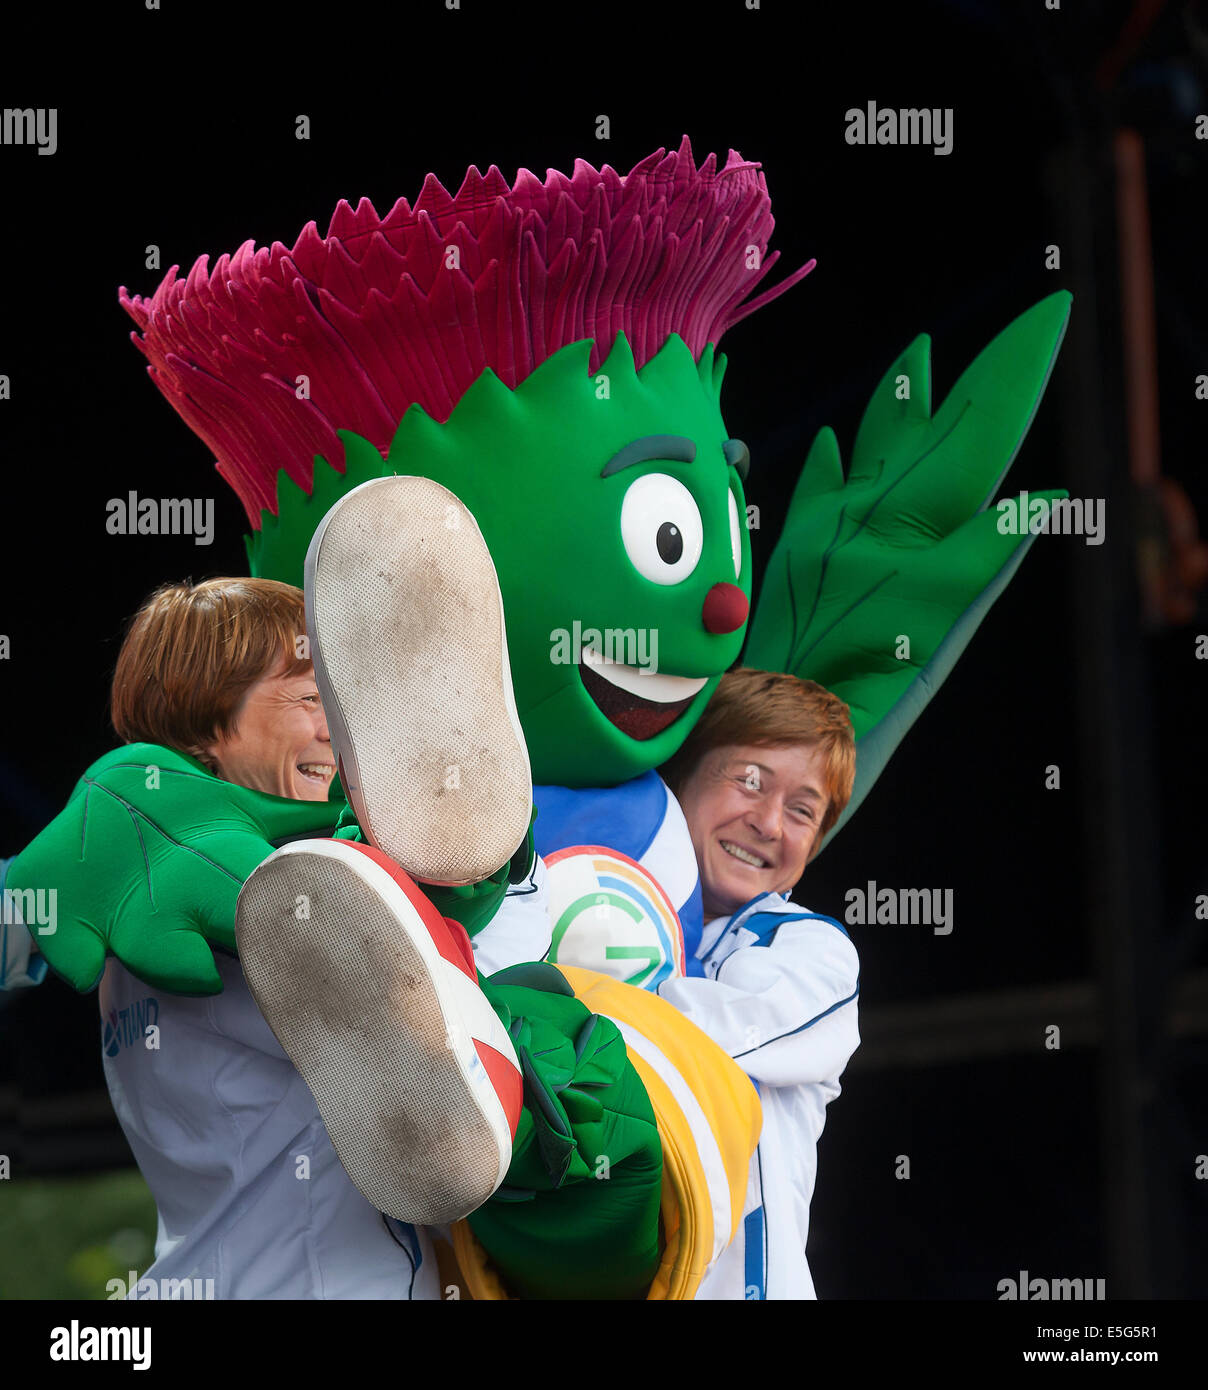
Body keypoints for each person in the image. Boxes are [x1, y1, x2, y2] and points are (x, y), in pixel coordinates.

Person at [655, 666, 861, 1299]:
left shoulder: (812, 949)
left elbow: (683, 1043)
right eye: (749, 781)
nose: (770, 823)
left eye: (803, 811)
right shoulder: (587, 892)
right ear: (682, 773)